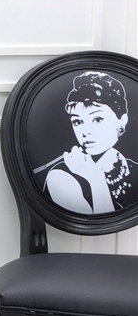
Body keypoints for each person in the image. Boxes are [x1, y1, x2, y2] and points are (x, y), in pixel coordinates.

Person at [40, 70, 137, 214]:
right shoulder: (60, 177)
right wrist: (96, 179)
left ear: (122, 120)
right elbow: (102, 224)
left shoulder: (133, 168)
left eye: (97, 119)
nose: (85, 131)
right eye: (78, 122)